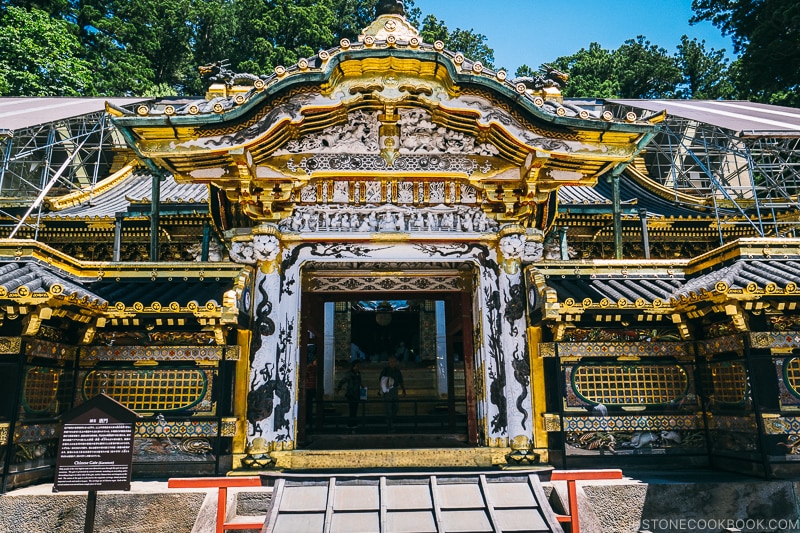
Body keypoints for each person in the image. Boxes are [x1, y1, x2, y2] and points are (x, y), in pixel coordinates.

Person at [379, 356, 406, 431]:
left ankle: (391, 419)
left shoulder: (397, 371)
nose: (392, 363)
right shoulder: (385, 370)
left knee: (396, 406)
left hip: (395, 389)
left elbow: (400, 380)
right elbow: (381, 380)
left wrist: (403, 389)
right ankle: (389, 424)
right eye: (391, 361)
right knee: (389, 407)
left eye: (394, 361)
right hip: (388, 390)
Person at [336, 361, 363, 429]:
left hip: (356, 393)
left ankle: (353, 423)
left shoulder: (358, 374)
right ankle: (351, 423)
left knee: (354, 409)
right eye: (357, 366)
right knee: (352, 409)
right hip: (351, 393)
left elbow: (359, 382)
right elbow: (343, 381)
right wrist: (338, 388)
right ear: (354, 366)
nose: (358, 367)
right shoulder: (350, 374)